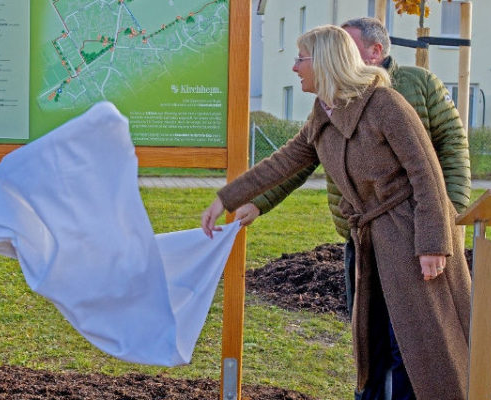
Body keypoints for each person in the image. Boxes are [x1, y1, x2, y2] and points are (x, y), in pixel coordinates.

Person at [201, 25, 471, 399]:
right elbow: (284, 163)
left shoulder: (386, 105)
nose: (295, 68)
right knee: (372, 342)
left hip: (410, 241)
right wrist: (226, 198)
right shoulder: (324, 114)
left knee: (413, 348)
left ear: (325, 62)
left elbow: (427, 174)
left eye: (301, 59)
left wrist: (433, 243)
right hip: (368, 243)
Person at [235, 17, 470, 316]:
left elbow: (452, 149)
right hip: (359, 235)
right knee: (368, 331)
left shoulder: (417, 86)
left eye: (346, 45)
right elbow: (300, 158)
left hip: (411, 230)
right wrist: (257, 202)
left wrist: (445, 222)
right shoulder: (331, 100)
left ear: (375, 51)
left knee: (413, 330)